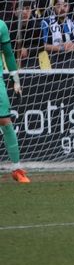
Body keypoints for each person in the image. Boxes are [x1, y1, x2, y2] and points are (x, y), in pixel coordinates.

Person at [0, 19, 27, 182]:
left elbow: (9, 54)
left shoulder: (1, 26)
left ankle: (17, 169)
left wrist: (15, 81)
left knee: (4, 120)